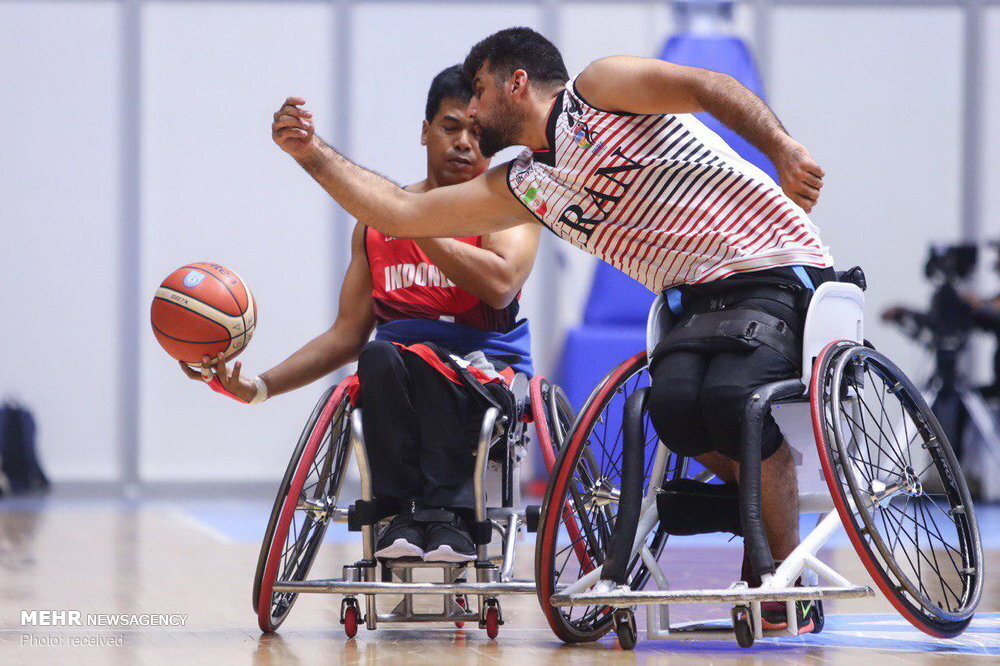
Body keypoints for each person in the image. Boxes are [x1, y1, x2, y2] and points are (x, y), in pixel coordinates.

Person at [271, 27, 834, 631]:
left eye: (480, 91)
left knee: (730, 402)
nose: (473, 107)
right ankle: (766, 519)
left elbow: (708, 85)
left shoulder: (598, 89)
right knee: (673, 412)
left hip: (773, 266)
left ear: (517, 84)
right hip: (693, 300)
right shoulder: (528, 184)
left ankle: (778, 562)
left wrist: (780, 147)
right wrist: (313, 155)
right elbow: (400, 212)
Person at [189, 65, 541, 563]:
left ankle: (452, 517)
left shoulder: (511, 207)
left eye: (479, 133)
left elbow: (501, 285)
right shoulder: (372, 227)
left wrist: (411, 221)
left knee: (418, 359)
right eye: (450, 127)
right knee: (377, 356)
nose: (465, 143)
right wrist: (258, 387)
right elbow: (344, 337)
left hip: (481, 372)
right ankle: (396, 515)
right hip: (395, 371)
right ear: (425, 131)